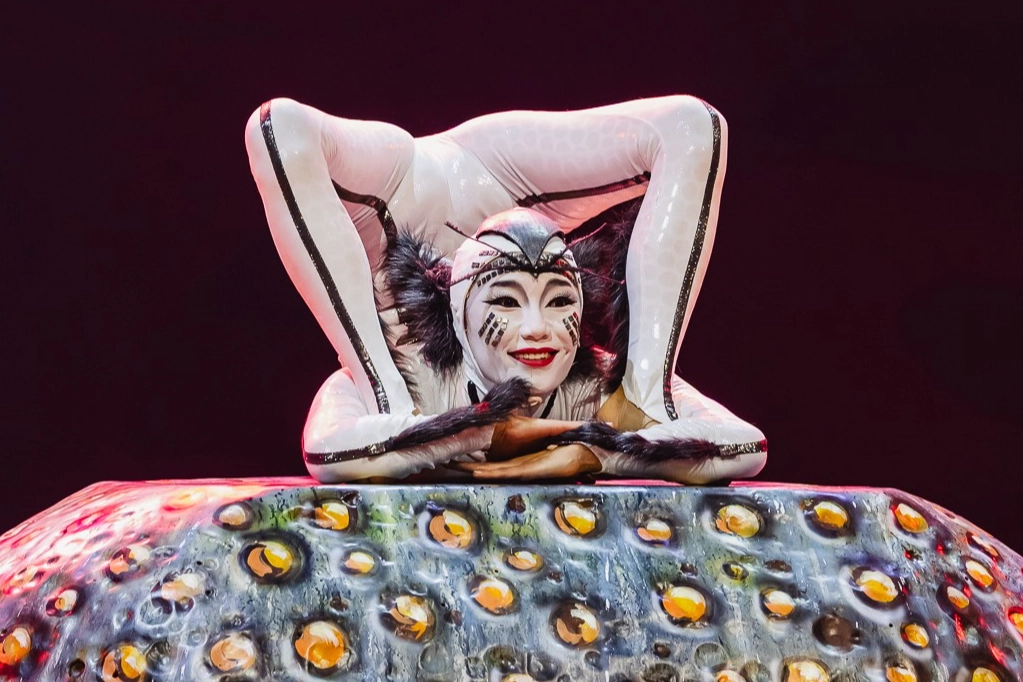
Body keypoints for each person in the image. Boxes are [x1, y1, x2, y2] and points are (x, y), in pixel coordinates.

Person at [245, 96, 767, 484]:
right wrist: (468, 432)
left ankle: (647, 398)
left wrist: (596, 451)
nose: (538, 329)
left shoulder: (593, 383)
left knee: (696, 126)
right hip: (400, 203)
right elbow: (330, 451)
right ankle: (389, 401)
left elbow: (746, 447)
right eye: (509, 305)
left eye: (560, 302)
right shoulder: (417, 375)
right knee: (276, 128)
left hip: (508, 195)